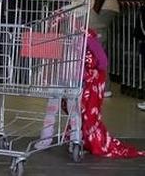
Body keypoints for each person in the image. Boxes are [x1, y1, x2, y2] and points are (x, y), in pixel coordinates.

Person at [36, 29, 144, 158]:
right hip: (66, 80)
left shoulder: (84, 37)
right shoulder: (66, 35)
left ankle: (68, 140)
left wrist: (91, 74)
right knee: (68, 112)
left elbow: (103, 62)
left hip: (73, 81)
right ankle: (70, 140)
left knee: (69, 112)